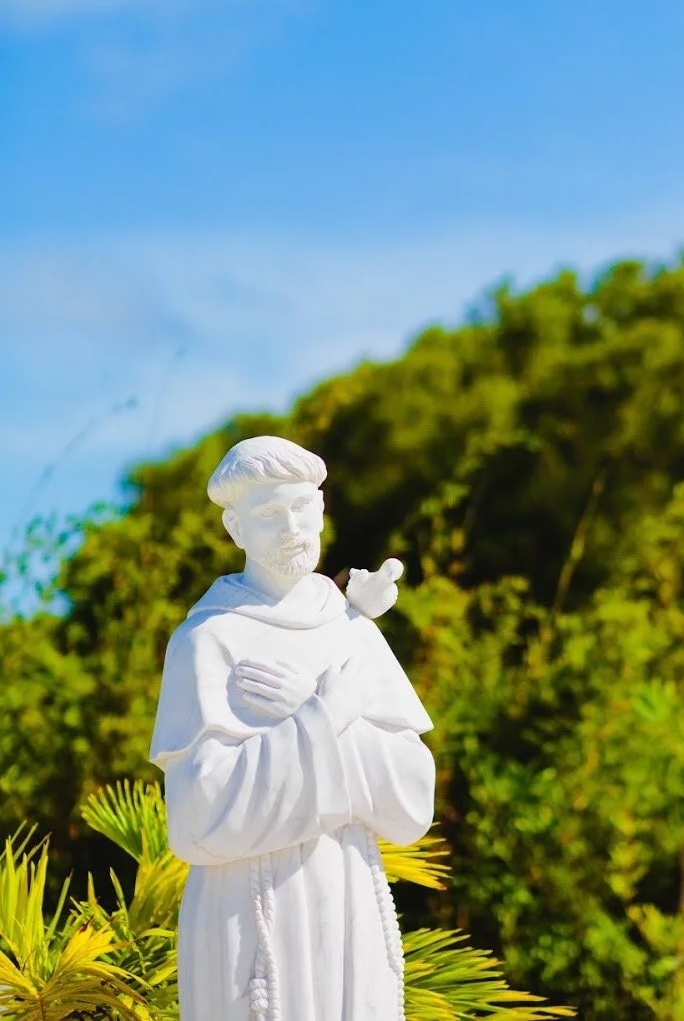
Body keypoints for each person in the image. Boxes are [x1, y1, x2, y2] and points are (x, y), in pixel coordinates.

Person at [150, 435, 435, 1021]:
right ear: (235, 527)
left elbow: (412, 802)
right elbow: (198, 819)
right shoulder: (207, 640)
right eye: (268, 513)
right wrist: (320, 720)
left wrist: (315, 712)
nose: (291, 529)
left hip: (350, 899)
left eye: (303, 508)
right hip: (248, 914)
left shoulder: (354, 633)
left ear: (322, 511)